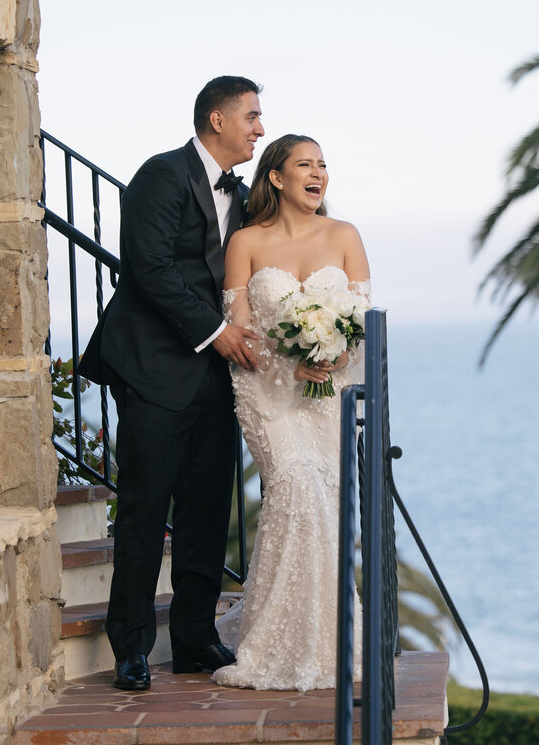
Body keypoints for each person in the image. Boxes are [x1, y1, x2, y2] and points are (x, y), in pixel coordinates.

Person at [76, 76, 265, 691]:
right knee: (142, 509)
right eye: (252, 117)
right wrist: (217, 332)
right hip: (155, 370)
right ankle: (130, 647)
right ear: (217, 119)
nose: (259, 129)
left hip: (217, 378)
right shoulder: (160, 174)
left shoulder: (245, 195)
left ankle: (192, 640)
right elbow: (149, 267)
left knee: (208, 511)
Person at [212, 134, 370, 691]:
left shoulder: (344, 235)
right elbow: (241, 334)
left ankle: (330, 638)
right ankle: (272, 643)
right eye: (305, 164)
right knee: (296, 497)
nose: (318, 173)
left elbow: (363, 322)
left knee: (325, 509)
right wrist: (288, 365)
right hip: (270, 397)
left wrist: (335, 352)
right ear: (276, 177)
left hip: (329, 400)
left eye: (323, 164)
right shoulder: (246, 243)